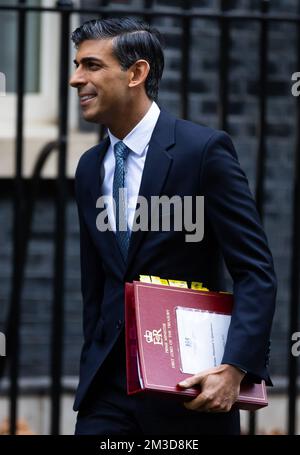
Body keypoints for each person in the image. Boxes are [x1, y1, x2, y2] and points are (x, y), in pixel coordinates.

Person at [69, 17, 276, 435]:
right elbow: (96, 283)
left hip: (190, 391)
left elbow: (255, 270)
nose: (76, 79)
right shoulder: (90, 168)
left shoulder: (203, 152)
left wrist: (235, 369)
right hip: (108, 393)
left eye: (91, 65)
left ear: (136, 73)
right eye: (76, 65)